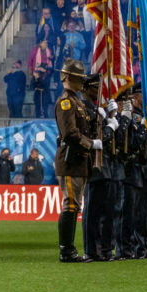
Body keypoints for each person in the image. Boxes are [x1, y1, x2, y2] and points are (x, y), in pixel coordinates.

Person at [54, 59, 96, 263]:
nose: (82, 83)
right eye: (79, 79)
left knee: (74, 205)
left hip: (78, 160)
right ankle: (66, 250)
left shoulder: (76, 101)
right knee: (70, 205)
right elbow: (70, 133)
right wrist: (90, 144)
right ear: (69, 78)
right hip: (70, 159)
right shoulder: (66, 102)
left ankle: (69, 249)